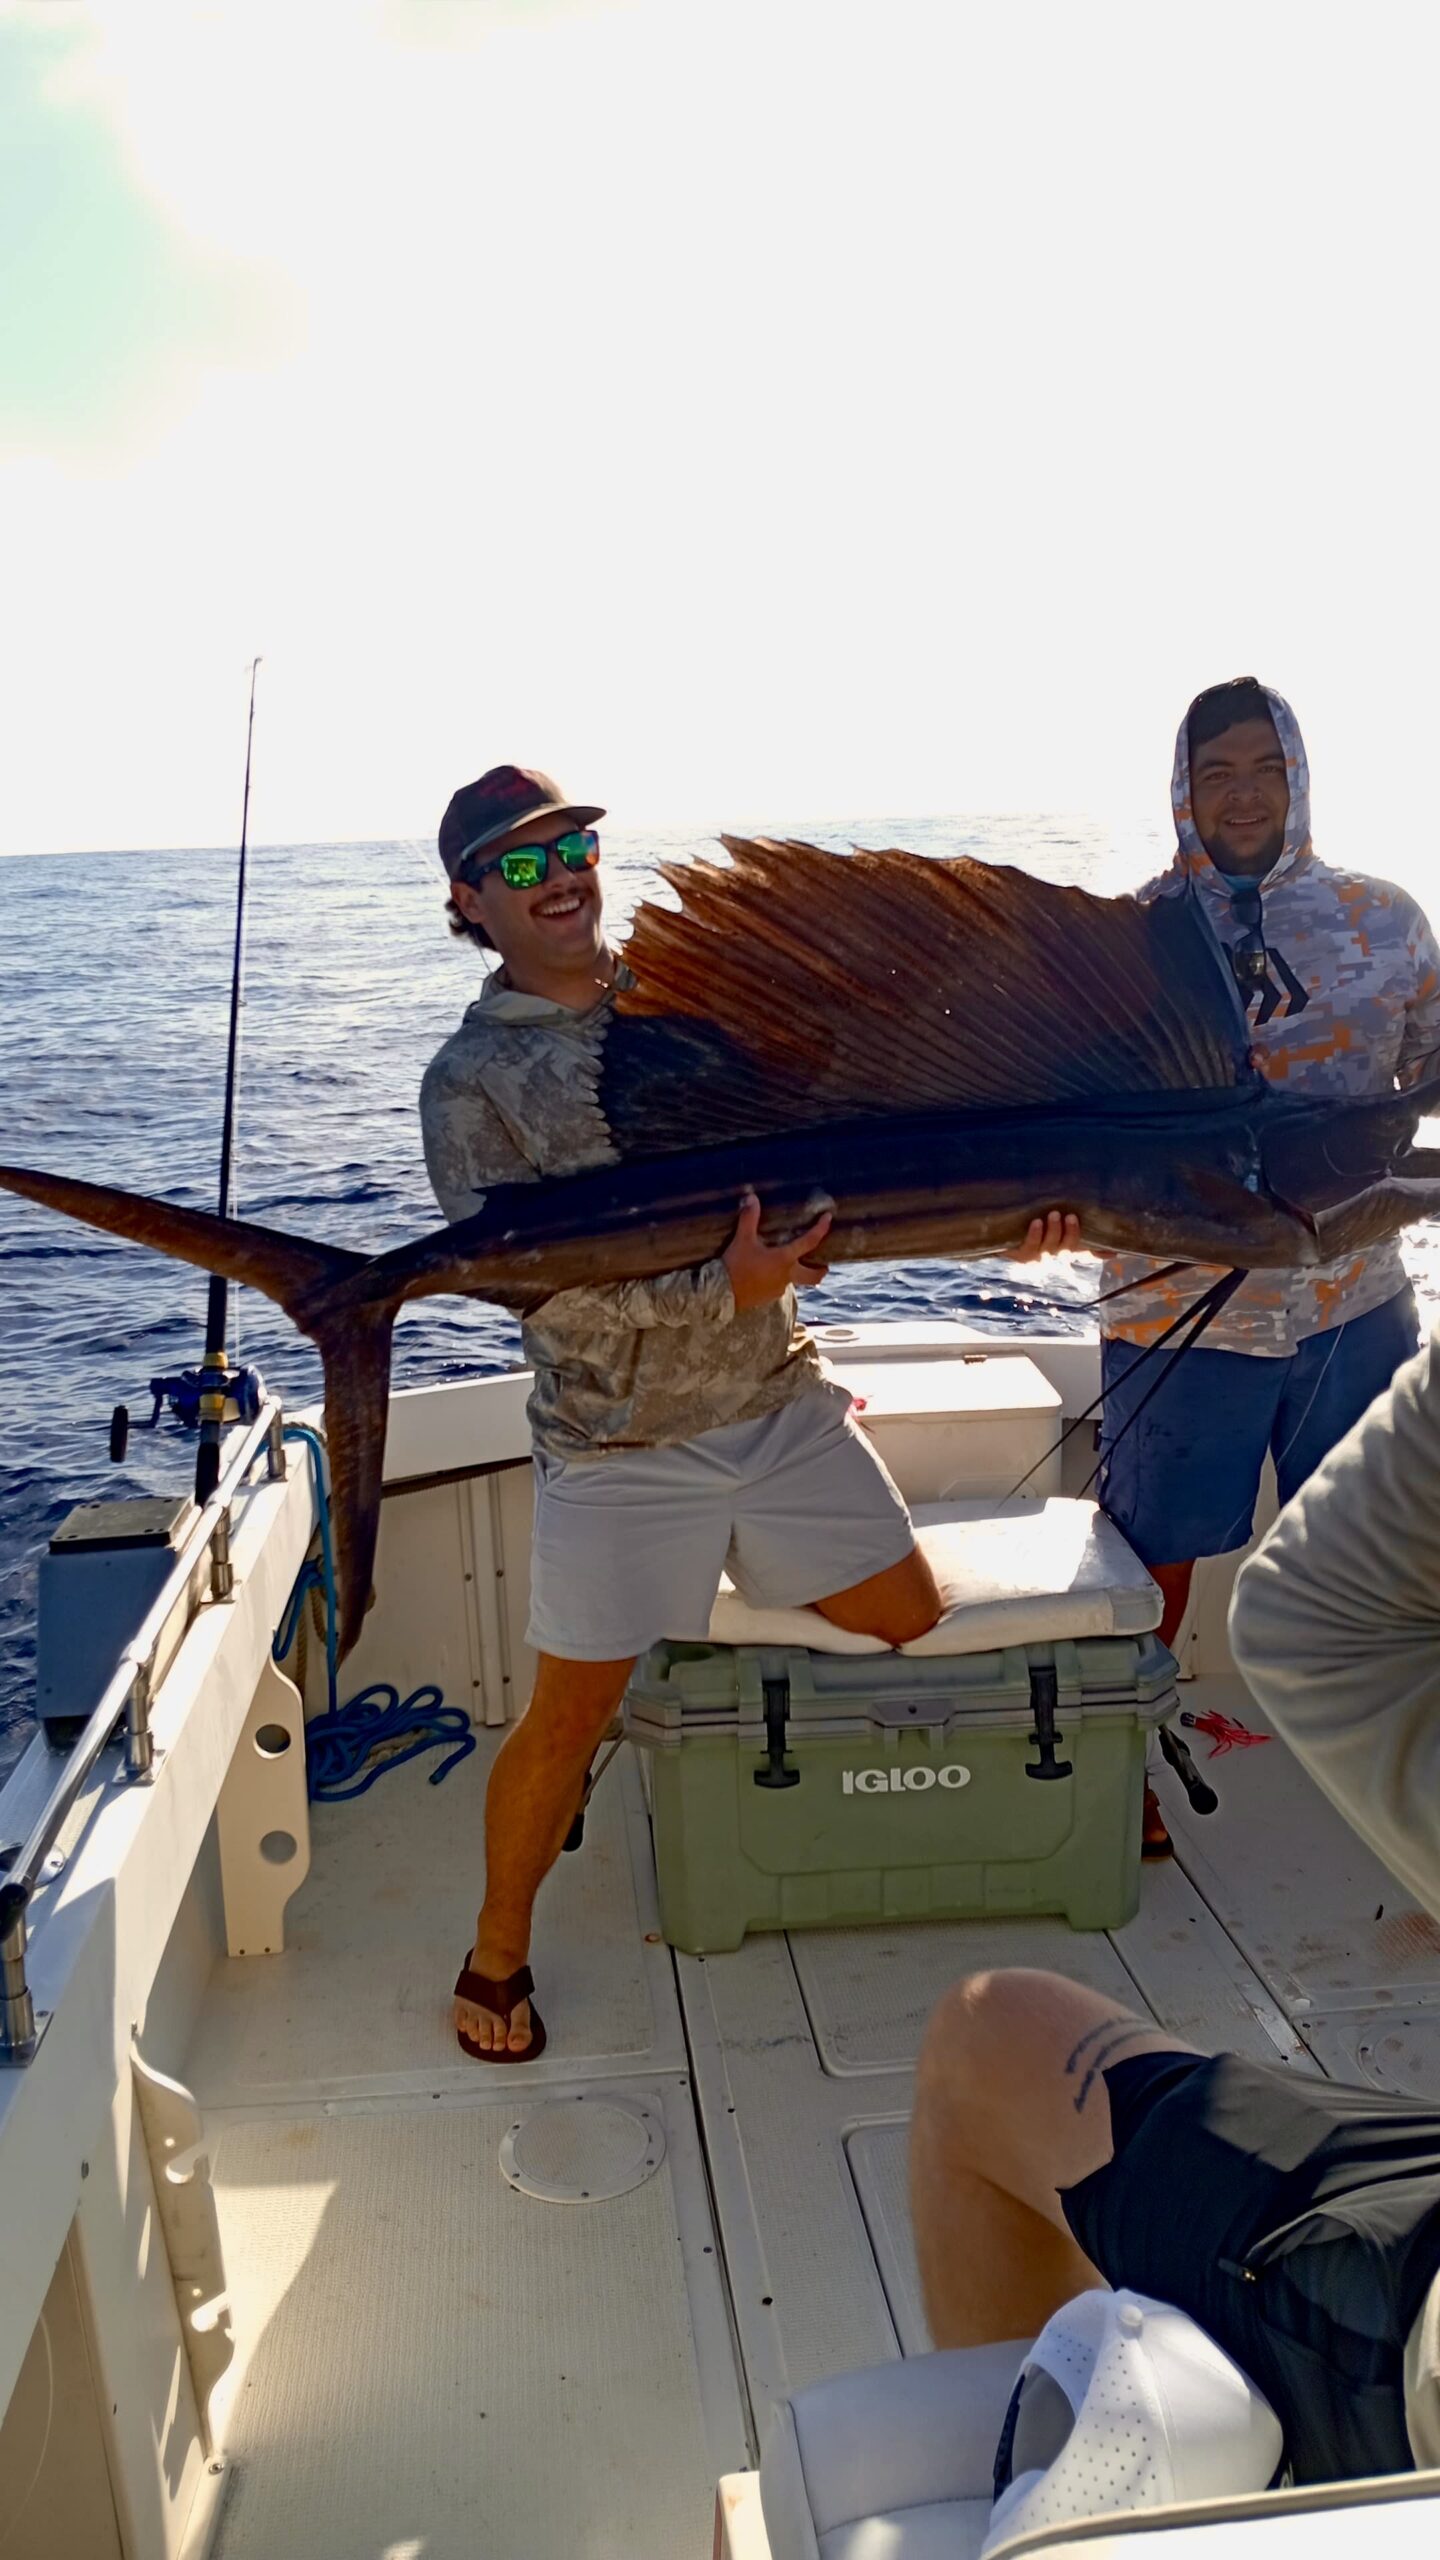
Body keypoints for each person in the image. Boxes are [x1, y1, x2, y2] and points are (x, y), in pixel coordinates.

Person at [421, 765, 972, 2061]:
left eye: (574, 847)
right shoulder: (470, 1084)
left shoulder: (691, 1005)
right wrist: (717, 1287)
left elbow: (800, 1181)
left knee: (909, 1617)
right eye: (517, 864)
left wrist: (824, 1254)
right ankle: (496, 1947)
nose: (558, 876)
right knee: (568, 1719)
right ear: (467, 900)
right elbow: (545, 1307)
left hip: (778, 1402)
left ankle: (704, 1608)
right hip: (619, 1450)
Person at [908, 1329, 1440, 2488]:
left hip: (1415, 2370)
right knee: (1157, 1552)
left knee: (984, 2034)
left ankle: (1062, 2500)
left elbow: (1315, 1613)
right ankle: (1124, 1760)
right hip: (1212, 1305)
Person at [1097, 676, 1440, 1849]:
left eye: (1264, 768)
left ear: (1299, 776)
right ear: (1182, 792)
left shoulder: (1387, 918)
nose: (1242, 795)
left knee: (1389, 1552)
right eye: (1215, 773)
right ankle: (1123, 1760)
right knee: (1152, 1550)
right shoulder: (1127, 936)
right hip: (1176, 1306)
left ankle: (1409, 1781)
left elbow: (1429, 1076)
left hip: (1357, 1300)